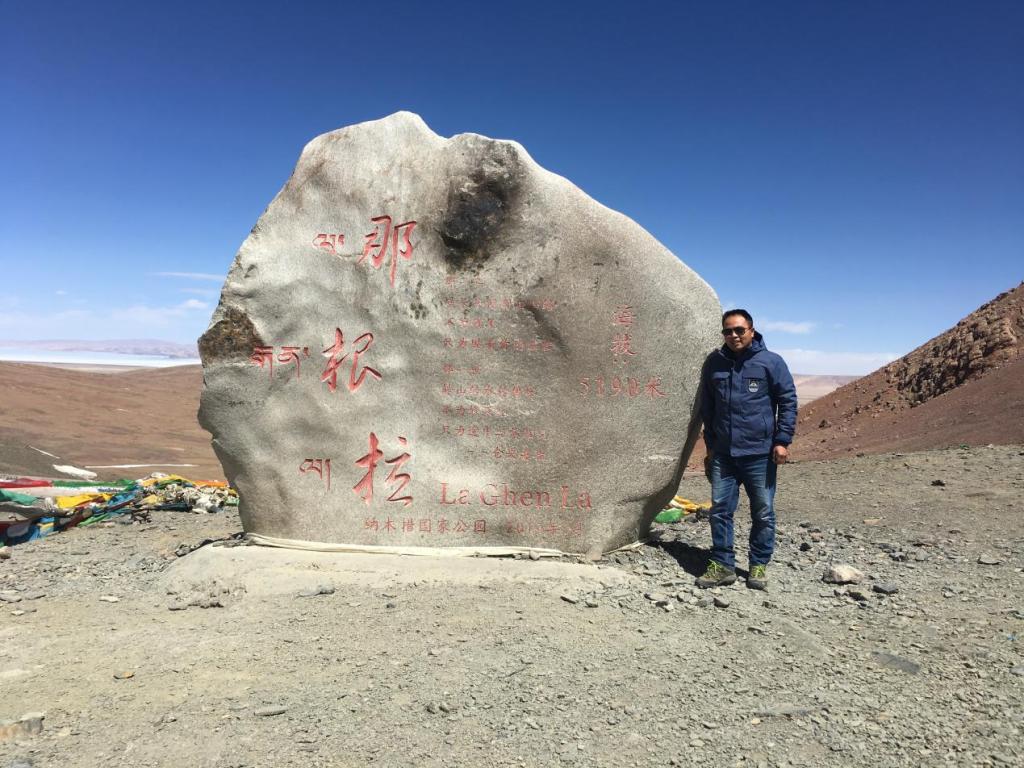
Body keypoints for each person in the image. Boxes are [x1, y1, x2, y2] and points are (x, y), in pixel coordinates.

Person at [696, 309, 797, 590]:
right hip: (724, 454)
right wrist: (711, 446)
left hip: (759, 454)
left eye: (739, 330)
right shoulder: (714, 363)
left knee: (763, 512)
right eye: (728, 331)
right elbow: (708, 407)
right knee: (720, 510)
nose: (734, 335)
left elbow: (788, 401)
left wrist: (782, 440)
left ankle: (758, 565)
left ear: (752, 331)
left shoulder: (771, 362)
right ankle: (723, 565)